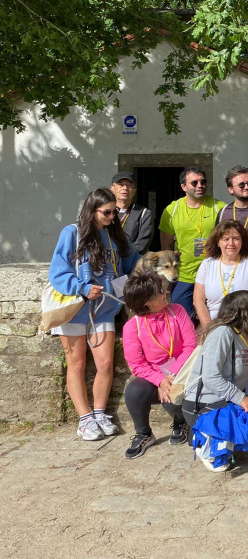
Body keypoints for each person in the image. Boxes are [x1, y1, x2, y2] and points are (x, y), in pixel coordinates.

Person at [48, 188, 139, 440]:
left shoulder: (118, 237)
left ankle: (99, 413)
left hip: (104, 310)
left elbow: (134, 268)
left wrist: (117, 291)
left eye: (115, 212)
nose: (112, 216)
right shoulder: (73, 233)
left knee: (105, 364)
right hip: (75, 310)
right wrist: (83, 287)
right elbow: (57, 271)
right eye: (107, 212)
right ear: (92, 210)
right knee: (76, 365)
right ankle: (85, 418)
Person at [182, 290, 248, 472]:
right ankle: (209, 442)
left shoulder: (244, 333)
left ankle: (218, 436)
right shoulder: (222, 333)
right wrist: (241, 398)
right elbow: (210, 377)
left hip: (224, 401)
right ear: (244, 310)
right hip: (203, 404)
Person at [121, 273, 197, 459]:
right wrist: (161, 380)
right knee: (134, 391)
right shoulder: (132, 326)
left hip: (182, 371)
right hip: (154, 375)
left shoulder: (177, 311)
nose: (165, 293)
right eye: (160, 292)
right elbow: (137, 365)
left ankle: (181, 422)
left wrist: (172, 375)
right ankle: (144, 433)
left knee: (173, 400)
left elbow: (190, 345)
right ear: (147, 302)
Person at [159, 167, 225, 317]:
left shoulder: (219, 208)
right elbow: (166, 248)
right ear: (184, 187)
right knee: (184, 320)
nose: (200, 186)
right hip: (183, 276)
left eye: (203, 182)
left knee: (214, 320)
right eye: (194, 183)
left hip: (214, 275)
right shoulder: (172, 210)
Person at [193, 221, 248, 329]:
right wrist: (209, 329)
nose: (231, 243)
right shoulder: (207, 264)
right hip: (214, 325)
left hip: (246, 326)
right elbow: (198, 300)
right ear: (218, 242)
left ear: (242, 241)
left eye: (236, 238)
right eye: (226, 239)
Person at [110, 172, 153, 253]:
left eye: (129, 185)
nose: (125, 188)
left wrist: (125, 256)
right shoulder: (106, 213)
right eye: (120, 184)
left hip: (133, 261)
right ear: (112, 189)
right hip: (109, 260)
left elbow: (142, 243)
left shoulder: (144, 213)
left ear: (134, 191)